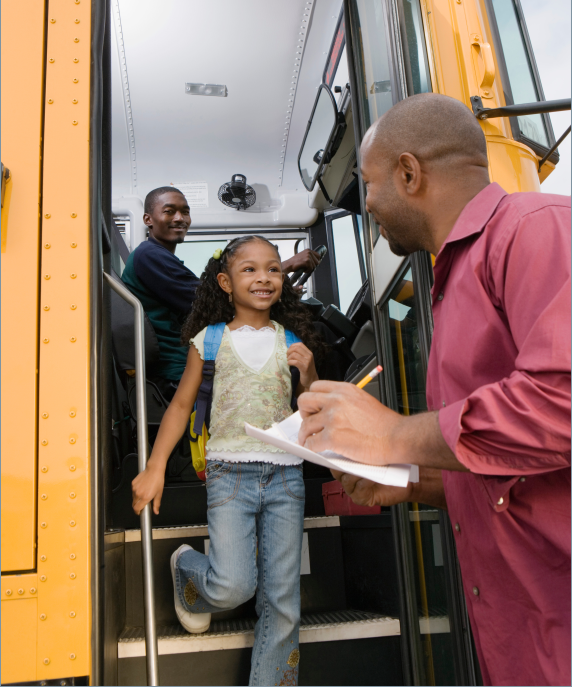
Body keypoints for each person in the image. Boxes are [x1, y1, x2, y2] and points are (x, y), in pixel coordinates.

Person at [297, 93, 571, 687]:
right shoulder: (448, 287)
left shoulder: (538, 229)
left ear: (408, 173)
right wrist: (409, 478)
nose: (368, 206)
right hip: (520, 632)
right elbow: (512, 467)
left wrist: (395, 432)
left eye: (367, 186)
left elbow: (562, 405)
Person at [131, 235, 326, 686]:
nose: (263, 278)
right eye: (250, 270)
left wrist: (309, 372)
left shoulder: (292, 340)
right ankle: (187, 569)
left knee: (282, 600)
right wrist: (155, 466)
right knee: (232, 585)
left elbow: (312, 406)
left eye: (273, 269)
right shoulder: (210, 340)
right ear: (225, 281)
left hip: (286, 477)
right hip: (229, 474)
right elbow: (180, 406)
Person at [122, 186, 321, 397]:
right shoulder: (149, 255)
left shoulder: (158, 256)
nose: (180, 218)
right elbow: (211, 299)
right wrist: (284, 266)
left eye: (185, 212)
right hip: (173, 367)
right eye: (169, 211)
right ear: (148, 219)